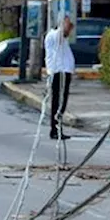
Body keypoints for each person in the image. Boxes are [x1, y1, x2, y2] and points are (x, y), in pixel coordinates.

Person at [43, 13, 75, 141]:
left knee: (62, 102)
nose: (70, 27)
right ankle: (54, 130)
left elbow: (65, 34)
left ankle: (58, 128)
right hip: (57, 72)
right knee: (58, 102)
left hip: (64, 72)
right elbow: (62, 33)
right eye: (67, 23)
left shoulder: (62, 38)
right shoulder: (53, 35)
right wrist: (65, 25)